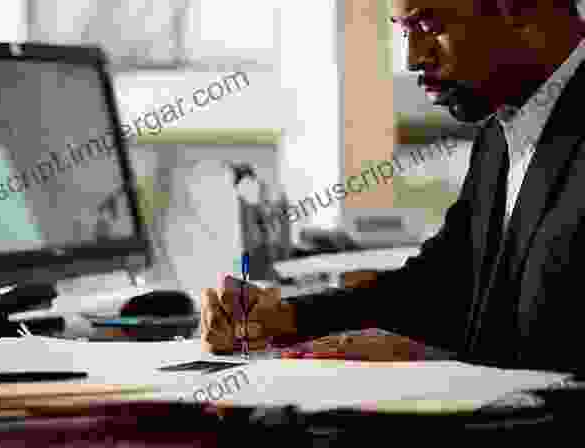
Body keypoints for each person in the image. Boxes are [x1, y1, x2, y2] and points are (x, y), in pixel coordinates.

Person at [201, 0, 585, 374]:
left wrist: (440, 365)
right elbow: (442, 286)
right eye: (405, 31)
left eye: (429, 24)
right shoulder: (501, 137)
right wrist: (287, 316)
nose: (413, 59)